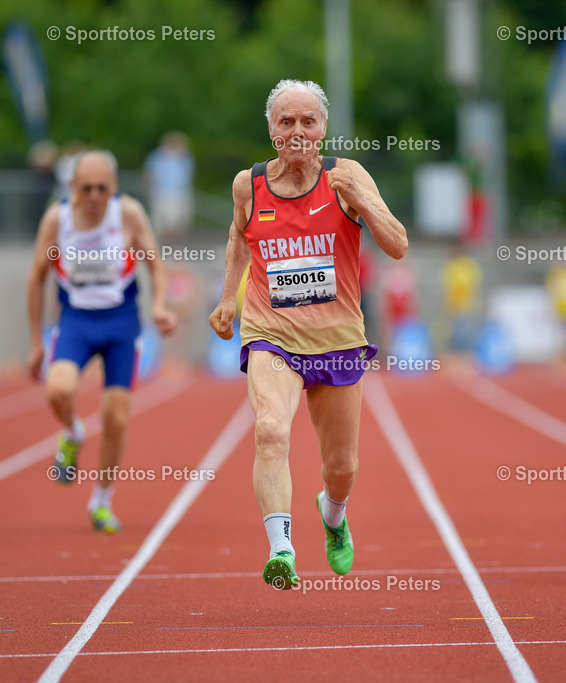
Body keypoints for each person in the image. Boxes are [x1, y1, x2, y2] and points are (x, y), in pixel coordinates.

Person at [209, 79, 408, 589]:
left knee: (342, 466)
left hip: (337, 340)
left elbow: (398, 245)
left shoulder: (347, 175)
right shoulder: (248, 185)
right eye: (286, 121)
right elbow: (238, 236)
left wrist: (361, 200)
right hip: (271, 334)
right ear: (271, 131)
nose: (297, 131)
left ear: (323, 128)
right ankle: (282, 549)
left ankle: (333, 513)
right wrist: (228, 298)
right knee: (270, 429)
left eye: (307, 121)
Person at [27, 150, 177, 533]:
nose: (94, 197)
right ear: (72, 187)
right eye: (86, 189)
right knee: (57, 390)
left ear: (114, 187)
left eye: (102, 189)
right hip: (76, 320)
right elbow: (36, 277)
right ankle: (73, 432)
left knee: (116, 418)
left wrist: (159, 306)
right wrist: (35, 342)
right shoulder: (57, 219)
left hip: (121, 322)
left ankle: (101, 499)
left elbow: (155, 265)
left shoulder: (128, 213)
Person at [144, 131, 195, 242]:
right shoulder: (157, 156)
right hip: (162, 193)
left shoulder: (185, 157)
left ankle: (175, 244)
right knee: (163, 221)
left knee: (178, 221)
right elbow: (150, 175)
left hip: (180, 193)